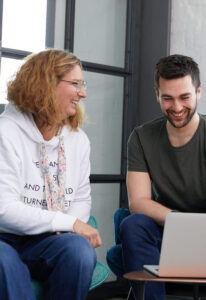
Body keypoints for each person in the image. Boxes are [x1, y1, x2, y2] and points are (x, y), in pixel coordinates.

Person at [0, 49, 102, 300]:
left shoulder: (79, 140)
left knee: (78, 251)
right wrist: (68, 223)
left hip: (45, 238)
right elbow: (3, 208)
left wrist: (68, 227)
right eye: (76, 84)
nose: (83, 93)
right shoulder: (6, 132)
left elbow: (80, 198)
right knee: (4, 262)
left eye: (83, 84)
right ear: (45, 84)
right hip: (4, 236)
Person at [120, 54, 204, 300]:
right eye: (167, 98)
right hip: (166, 230)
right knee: (133, 224)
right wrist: (181, 224)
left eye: (184, 97)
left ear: (198, 92)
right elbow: (139, 202)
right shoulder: (142, 137)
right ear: (157, 95)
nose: (177, 108)